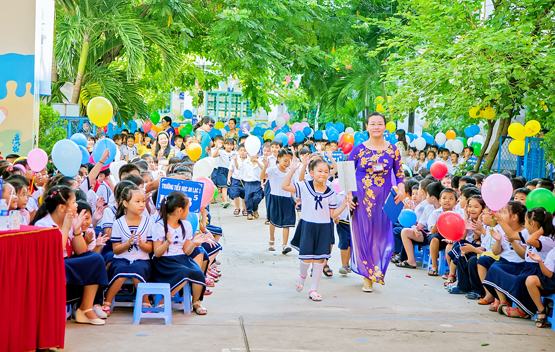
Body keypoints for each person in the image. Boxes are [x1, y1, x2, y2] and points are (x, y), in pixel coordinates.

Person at [32, 185, 108, 325]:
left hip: (66, 263)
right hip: (51, 266)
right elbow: (55, 253)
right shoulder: (43, 224)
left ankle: (85, 309)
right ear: (61, 208)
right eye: (73, 202)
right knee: (90, 260)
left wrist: (77, 230)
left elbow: (82, 252)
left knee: (95, 259)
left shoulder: (69, 221)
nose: (76, 205)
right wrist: (66, 228)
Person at [347, 112, 405, 292]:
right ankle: (368, 275)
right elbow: (347, 173)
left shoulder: (393, 149)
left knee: (381, 234)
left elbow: (400, 173)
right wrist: (348, 195)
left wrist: (402, 189)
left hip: (384, 199)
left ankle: (377, 269)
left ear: (385, 126)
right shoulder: (358, 150)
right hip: (362, 198)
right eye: (372, 124)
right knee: (364, 233)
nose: (376, 127)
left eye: (379, 123)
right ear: (367, 127)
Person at [283, 158, 349, 301]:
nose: (323, 174)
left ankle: (313, 289)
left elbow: (332, 215)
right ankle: (302, 277)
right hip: (308, 226)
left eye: (326, 171)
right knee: (306, 259)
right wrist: (293, 169)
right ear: (311, 173)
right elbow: (285, 186)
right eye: (319, 171)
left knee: (319, 260)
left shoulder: (331, 193)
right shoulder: (304, 186)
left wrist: (344, 204)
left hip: (324, 228)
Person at [152, 192, 216, 315]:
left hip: (181, 259)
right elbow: (157, 253)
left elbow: (187, 251)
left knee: (197, 272)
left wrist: (194, 243)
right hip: (164, 262)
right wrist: (167, 243)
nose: (189, 212)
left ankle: (196, 302)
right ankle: (164, 301)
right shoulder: (159, 226)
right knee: (184, 272)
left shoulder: (186, 225)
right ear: (179, 211)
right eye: (187, 209)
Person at [487, 208, 555, 319]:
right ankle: (507, 302)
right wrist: (499, 220)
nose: (525, 225)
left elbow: (530, 241)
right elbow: (512, 235)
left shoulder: (546, 239)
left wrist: (541, 230)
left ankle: (525, 310)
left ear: (532, 223)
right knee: (497, 270)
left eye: (526, 222)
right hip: (527, 267)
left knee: (520, 280)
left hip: (538, 270)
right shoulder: (529, 232)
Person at [102, 184, 153, 314]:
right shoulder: (118, 223)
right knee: (121, 271)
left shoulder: (148, 222)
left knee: (138, 271)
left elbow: (150, 248)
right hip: (121, 259)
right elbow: (116, 250)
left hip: (142, 259)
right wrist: (127, 243)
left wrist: (141, 244)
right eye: (137, 202)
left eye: (143, 201)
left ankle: (145, 300)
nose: (142, 205)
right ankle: (107, 301)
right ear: (125, 203)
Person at [262, 148, 296, 254]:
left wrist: (296, 198)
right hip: (275, 198)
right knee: (273, 220)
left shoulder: (290, 172)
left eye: (289, 161)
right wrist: (265, 166)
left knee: (287, 223)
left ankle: (285, 245)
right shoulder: (272, 170)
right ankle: (271, 241)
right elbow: (262, 176)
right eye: (285, 160)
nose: (287, 163)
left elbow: (293, 185)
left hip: (287, 199)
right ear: (279, 158)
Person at [228, 143, 247, 216]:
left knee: (244, 195)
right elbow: (231, 169)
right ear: (238, 151)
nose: (243, 152)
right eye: (241, 150)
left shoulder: (248, 160)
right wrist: (228, 178)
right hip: (236, 179)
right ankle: (237, 208)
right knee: (235, 194)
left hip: (245, 180)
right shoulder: (234, 159)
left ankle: (244, 208)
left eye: (244, 150)